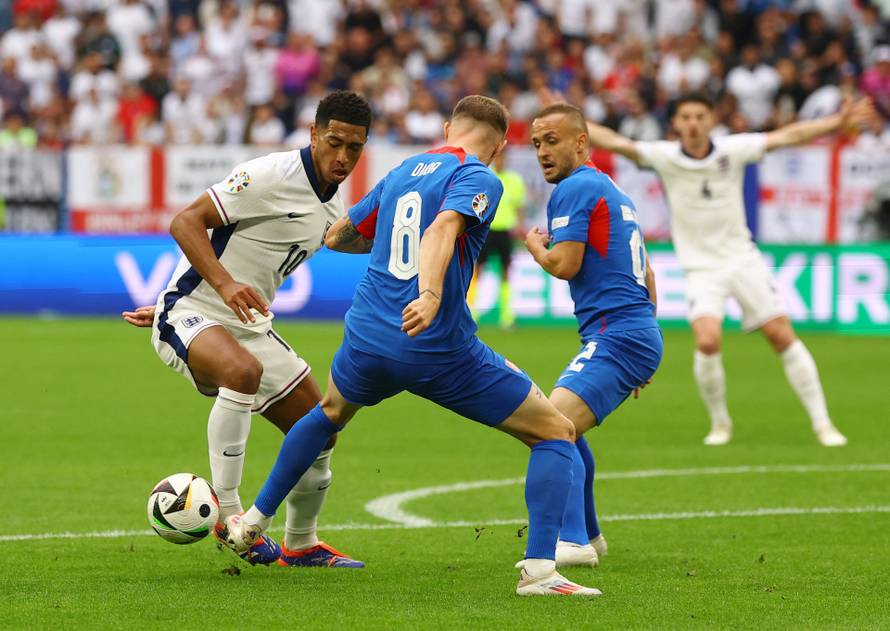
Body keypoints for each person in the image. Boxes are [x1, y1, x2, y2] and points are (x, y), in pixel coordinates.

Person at [220, 95, 601, 597]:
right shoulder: (478, 177)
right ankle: (540, 572)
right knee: (556, 432)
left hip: (366, 335)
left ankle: (252, 520)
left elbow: (339, 235)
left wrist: (386, 248)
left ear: (447, 128)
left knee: (329, 412)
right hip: (432, 345)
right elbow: (443, 228)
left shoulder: (402, 170)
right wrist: (429, 291)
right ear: (501, 143)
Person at [121, 90, 371, 568]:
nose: (343, 157)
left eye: (354, 148)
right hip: (194, 309)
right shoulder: (270, 175)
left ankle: (301, 544)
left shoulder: (331, 212)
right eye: (334, 142)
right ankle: (230, 516)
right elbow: (186, 222)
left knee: (321, 431)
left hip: (248, 324)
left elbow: (337, 244)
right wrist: (220, 286)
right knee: (242, 371)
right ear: (313, 134)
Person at [582, 91, 875, 446]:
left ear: (711, 119)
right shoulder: (664, 157)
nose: (692, 123)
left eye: (699, 116)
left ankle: (823, 424)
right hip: (701, 268)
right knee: (707, 340)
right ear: (675, 123)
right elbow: (618, 143)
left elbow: (786, 136)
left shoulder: (732, 151)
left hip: (741, 258)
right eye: (685, 116)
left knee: (781, 334)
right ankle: (720, 424)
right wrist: (569, 123)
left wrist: (835, 122)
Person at [522, 103, 662, 569]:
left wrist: (536, 247)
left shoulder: (574, 187)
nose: (543, 151)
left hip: (619, 334)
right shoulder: (611, 189)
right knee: (565, 427)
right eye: (537, 143)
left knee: (550, 427)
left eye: (552, 141)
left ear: (581, 142)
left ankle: (574, 543)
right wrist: (646, 337)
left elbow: (566, 264)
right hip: (630, 332)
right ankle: (591, 535)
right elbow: (647, 270)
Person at [472, 149, 526, 329]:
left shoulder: (514, 180)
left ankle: (506, 316)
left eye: (504, 158)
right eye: (499, 158)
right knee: (478, 270)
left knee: (506, 272)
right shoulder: (487, 177)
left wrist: (520, 226)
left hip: (505, 231)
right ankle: (472, 312)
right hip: (487, 230)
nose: (501, 161)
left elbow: (518, 206)